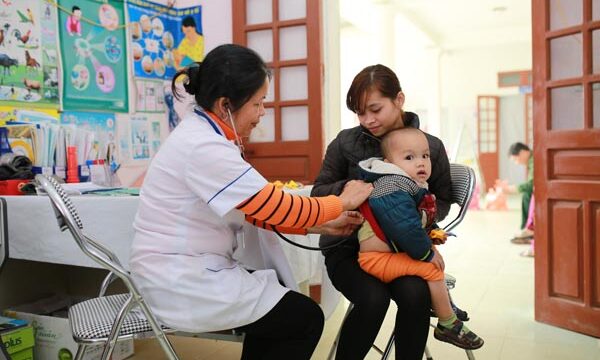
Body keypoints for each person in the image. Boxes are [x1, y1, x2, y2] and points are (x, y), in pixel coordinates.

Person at [129, 44, 373, 360]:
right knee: (303, 318)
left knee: (281, 312)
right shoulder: (203, 147)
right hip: (178, 278)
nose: (262, 113)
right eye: (257, 103)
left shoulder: (207, 137)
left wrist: (321, 223)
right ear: (225, 104)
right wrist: (341, 202)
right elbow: (277, 206)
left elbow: (255, 211)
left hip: (184, 267)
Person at [311, 64, 452, 360]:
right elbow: (318, 191)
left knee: (416, 295)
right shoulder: (346, 142)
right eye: (360, 113)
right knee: (373, 299)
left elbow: (444, 199)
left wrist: (414, 216)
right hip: (346, 248)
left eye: (375, 109)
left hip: (403, 251)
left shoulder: (430, 147)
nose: (367, 120)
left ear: (399, 100)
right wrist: (356, 190)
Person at [356, 127, 484, 350]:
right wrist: (425, 252)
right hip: (376, 260)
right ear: (389, 162)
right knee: (431, 268)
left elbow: (413, 221)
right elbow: (405, 227)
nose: (421, 163)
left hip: (388, 253)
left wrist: (431, 233)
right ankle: (447, 323)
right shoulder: (391, 187)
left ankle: (444, 305)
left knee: (435, 260)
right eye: (409, 157)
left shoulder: (404, 182)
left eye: (425, 156)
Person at [499, 142, 533, 244]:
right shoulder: (531, 160)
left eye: (515, 159)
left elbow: (532, 184)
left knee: (527, 194)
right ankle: (527, 229)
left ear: (523, 152)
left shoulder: (534, 160)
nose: (516, 163)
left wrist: (513, 189)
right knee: (526, 194)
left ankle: (529, 230)